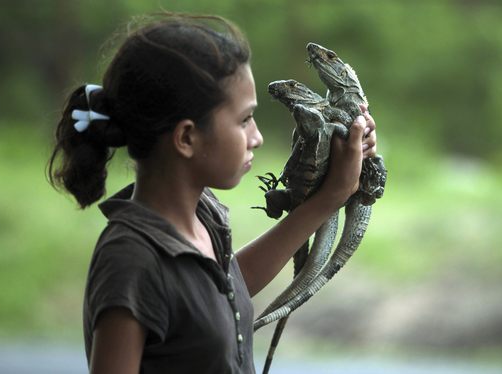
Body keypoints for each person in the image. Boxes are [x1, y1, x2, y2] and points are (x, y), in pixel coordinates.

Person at [47, 12, 377, 374]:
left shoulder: (202, 216)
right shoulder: (132, 260)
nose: (257, 137)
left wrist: (333, 193)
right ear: (187, 137)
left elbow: (223, 293)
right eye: (244, 120)